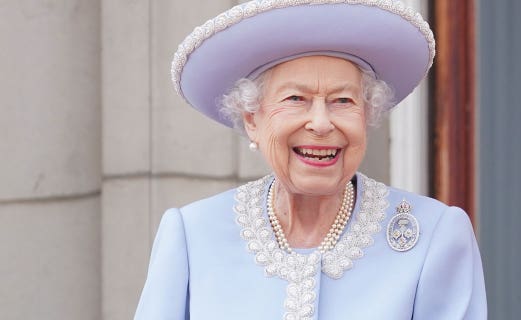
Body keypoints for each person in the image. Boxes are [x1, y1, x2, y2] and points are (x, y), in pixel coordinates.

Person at [135, 1, 486, 319]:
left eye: (343, 101)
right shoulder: (193, 235)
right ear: (253, 120)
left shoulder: (434, 237)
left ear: (367, 115)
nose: (320, 123)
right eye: (295, 98)